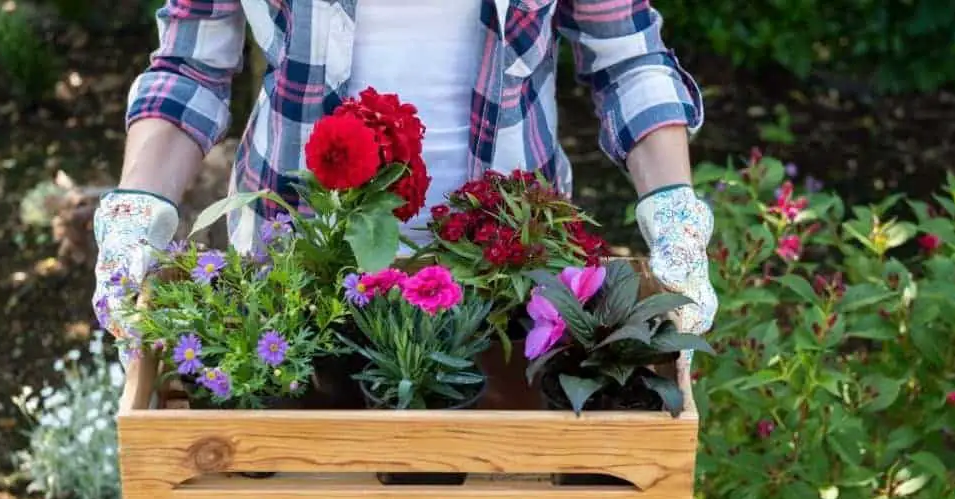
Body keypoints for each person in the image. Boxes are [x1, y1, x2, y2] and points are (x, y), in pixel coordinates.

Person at [93, 0, 717, 370]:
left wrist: (675, 215)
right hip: (295, 271)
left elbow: (627, 55)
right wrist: (136, 215)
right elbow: (191, 66)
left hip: (509, 277)